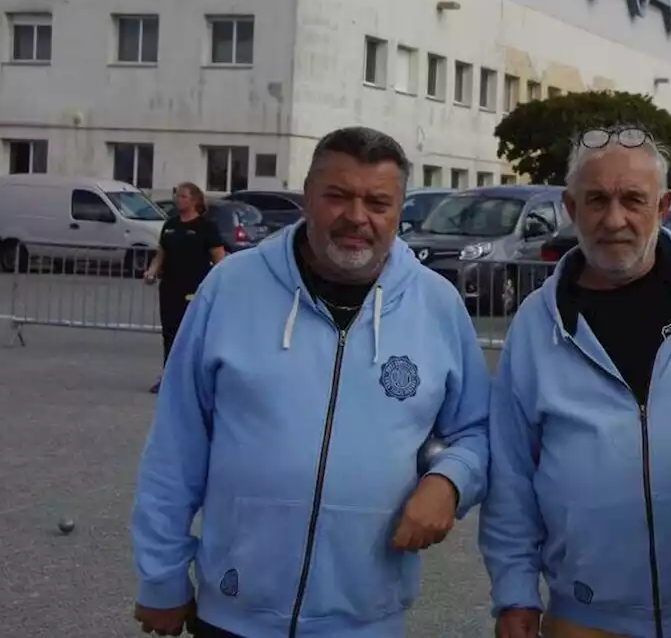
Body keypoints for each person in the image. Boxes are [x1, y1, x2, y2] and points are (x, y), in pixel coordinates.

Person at [129, 127, 491, 638]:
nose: (356, 217)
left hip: (367, 620)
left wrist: (449, 481)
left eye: (377, 202)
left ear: (400, 210)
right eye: (337, 196)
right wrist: (161, 578)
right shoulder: (231, 288)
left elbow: (477, 430)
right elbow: (176, 443)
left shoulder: (437, 305)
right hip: (234, 615)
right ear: (307, 196)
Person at [479, 126, 671, 638]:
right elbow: (510, 473)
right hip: (584, 617)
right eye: (596, 200)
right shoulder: (538, 323)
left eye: (632, 200)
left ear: (663, 206)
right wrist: (514, 594)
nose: (614, 219)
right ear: (571, 208)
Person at [144, 182, 224, 393]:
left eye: (182, 196)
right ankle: (169, 378)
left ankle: (194, 380)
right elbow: (161, 255)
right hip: (170, 288)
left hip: (195, 290)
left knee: (191, 335)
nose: (177, 199)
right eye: (176, 195)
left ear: (194, 200)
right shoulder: (170, 225)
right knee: (170, 334)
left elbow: (220, 260)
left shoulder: (206, 227)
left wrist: (219, 286)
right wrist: (152, 271)